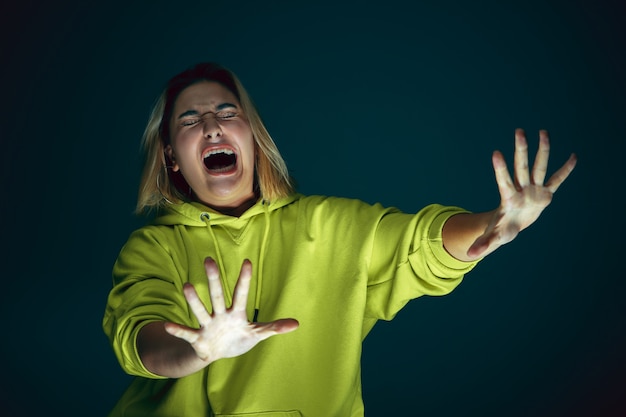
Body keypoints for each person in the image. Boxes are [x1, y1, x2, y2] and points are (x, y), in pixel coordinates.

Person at [102, 62, 577, 417]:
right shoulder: (152, 248)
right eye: (190, 120)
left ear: (251, 136)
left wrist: (491, 223)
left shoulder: (330, 225)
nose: (212, 126)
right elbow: (141, 339)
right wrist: (198, 350)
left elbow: (416, 243)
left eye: (227, 112)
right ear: (170, 157)